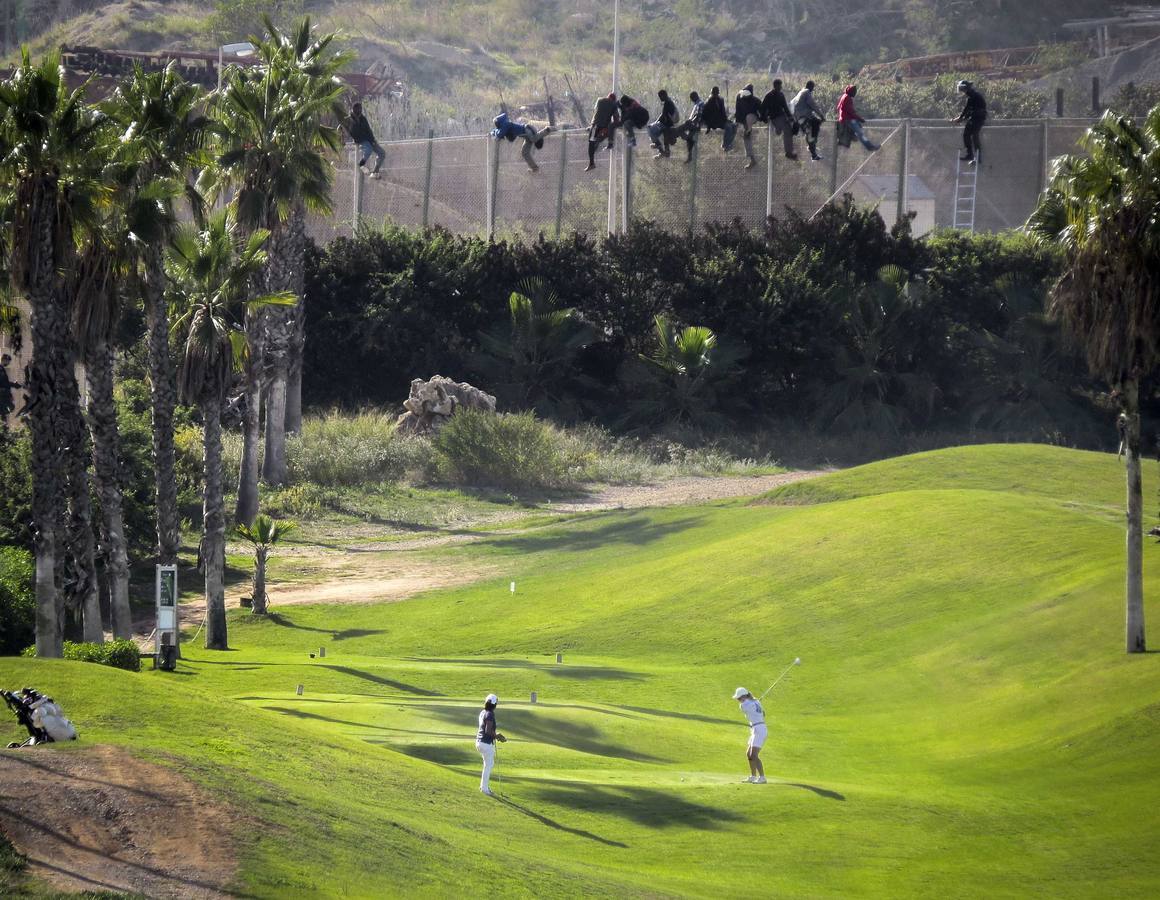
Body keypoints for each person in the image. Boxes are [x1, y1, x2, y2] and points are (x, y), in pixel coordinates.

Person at [732, 687, 767, 783]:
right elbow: (763, 714)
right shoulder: (755, 702)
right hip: (756, 728)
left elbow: (744, 708)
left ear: (744, 696)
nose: (738, 700)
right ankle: (753, 776)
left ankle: (762, 777)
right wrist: (756, 704)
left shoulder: (744, 705)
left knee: (754, 755)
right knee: (749, 754)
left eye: (739, 698)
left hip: (759, 729)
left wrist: (753, 704)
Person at [475, 692, 507, 796]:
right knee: (488, 765)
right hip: (485, 743)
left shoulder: (483, 712)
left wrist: (495, 735)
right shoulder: (489, 714)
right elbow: (488, 730)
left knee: (488, 764)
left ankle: (483, 786)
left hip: (479, 742)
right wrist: (497, 736)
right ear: (494, 704)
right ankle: (484, 789)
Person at [952, 79, 987, 166]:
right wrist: (961, 118)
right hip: (977, 118)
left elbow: (967, 109)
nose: (961, 91)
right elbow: (969, 111)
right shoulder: (972, 95)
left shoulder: (972, 96)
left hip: (977, 118)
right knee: (970, 135)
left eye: (962, 89)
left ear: (965, 88)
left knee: (970, 135)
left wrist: (960, 118)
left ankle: (972, 156)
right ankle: (972, 156)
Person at [346, 101, 385, 178]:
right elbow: (349, 130)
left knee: (382, 153)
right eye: (358, 109)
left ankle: (375, 171)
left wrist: (373, 140)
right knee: (368, 149)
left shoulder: (363, 118)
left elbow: (368, 130)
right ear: (354, 110)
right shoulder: (349, 119)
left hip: (369, 139)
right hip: (361, 140)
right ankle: (361, 164)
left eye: (361, 109)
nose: (360, 111)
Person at [760, 79, 797, 160]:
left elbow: (785, 107)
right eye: (779, 85)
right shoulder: (769, 95)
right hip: (774, 117)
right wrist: (764, 118)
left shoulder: (781, 95)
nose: (781, 87)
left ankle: (778, 130)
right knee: (788, 130)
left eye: (781, 85)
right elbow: (762, 108)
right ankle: (788, 152)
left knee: (790, 129)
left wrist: (790, 117)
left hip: (782, 116)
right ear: (775, 86)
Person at [836, 84, 878, 152]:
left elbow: (838, 108)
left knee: (858, 126)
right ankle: (869, 146)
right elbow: (851, 113)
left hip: (845, 119)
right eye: (854, 91)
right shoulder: (848, 98)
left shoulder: (844, 96)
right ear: (851, 92)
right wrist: (860, 119)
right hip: (848, 120)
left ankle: (852, 136)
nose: (855, 93)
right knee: (860, 134)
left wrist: (841, 116)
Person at [586, 91, 621, 171]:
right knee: (598, 139)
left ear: (608, 97)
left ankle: (591, 163)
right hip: (604, 128)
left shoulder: (599, 100)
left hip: (595, 126)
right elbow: (616, 119)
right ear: (614, 100)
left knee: (591, 143)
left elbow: (596, 112)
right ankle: (602, 141)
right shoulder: (614, 104)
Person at [790, 80, 825, 161]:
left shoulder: (801, 92)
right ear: (811, 87)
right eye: (813, 87)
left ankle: (813, 150)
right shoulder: (807, 92)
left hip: (800, 116)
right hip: (802, 116)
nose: (813, 89)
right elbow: (812, 104)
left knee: (815, 124)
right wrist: (821, 115)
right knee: (810, 132)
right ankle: (812, 151)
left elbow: (792, 103)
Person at [734, 83, 761, 169]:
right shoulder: (739, 98)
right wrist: (738, 122)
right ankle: (752, 159)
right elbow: (737, 111)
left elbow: (762, 112)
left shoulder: (756, 101)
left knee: (749, 117)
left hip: (752, 118)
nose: (743, 97)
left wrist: (763, 118)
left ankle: (748, 130)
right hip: (743, 121)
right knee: (746, 137)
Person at [648, 89, 680, 159]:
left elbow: (664, 115)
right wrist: (656, 122)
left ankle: (659, 147)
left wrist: (657, 123)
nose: (660, 98)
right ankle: (659, 147)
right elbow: (663, 114)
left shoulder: (668, 103)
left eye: (660, 97)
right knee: (656, 131)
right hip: (666, 124)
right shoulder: (669, 102)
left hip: (665, 124)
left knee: (650, 129)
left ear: (664, 95)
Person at [701, 85, 736, 151]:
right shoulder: (708, 102)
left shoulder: (720, 100)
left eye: (716, 94)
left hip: (721, 121)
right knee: (728, 127)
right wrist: (708, 126)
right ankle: (725, 145)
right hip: (714, 122)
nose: (715, 95)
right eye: (714, 94)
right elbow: (704, 115)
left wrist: (727, 120)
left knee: (734, 126)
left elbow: (722, 112)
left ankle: (728, 143)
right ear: (712, 94)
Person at [675, 90, 705, 163]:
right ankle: (690, 157)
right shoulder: (696, 104)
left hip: (694, 124)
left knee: (678, 129)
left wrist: (691, 121)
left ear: (694, 97)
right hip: (694, 124)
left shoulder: (700, 104)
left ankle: (690, 141)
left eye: (691, 98)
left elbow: (699, 115)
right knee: (689, 140)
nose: (691, 100)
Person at [0, 354, 20, 423]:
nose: (8, 363)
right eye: (8, 361)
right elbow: (4, 383)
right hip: (2, 394)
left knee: (5, 411)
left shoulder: (2, 369)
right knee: (10, 407)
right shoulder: (0, 370)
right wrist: (14, 385)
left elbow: (6, 383)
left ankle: (4, 424)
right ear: (4, 360)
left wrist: (10, 394)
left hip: (5, 394)